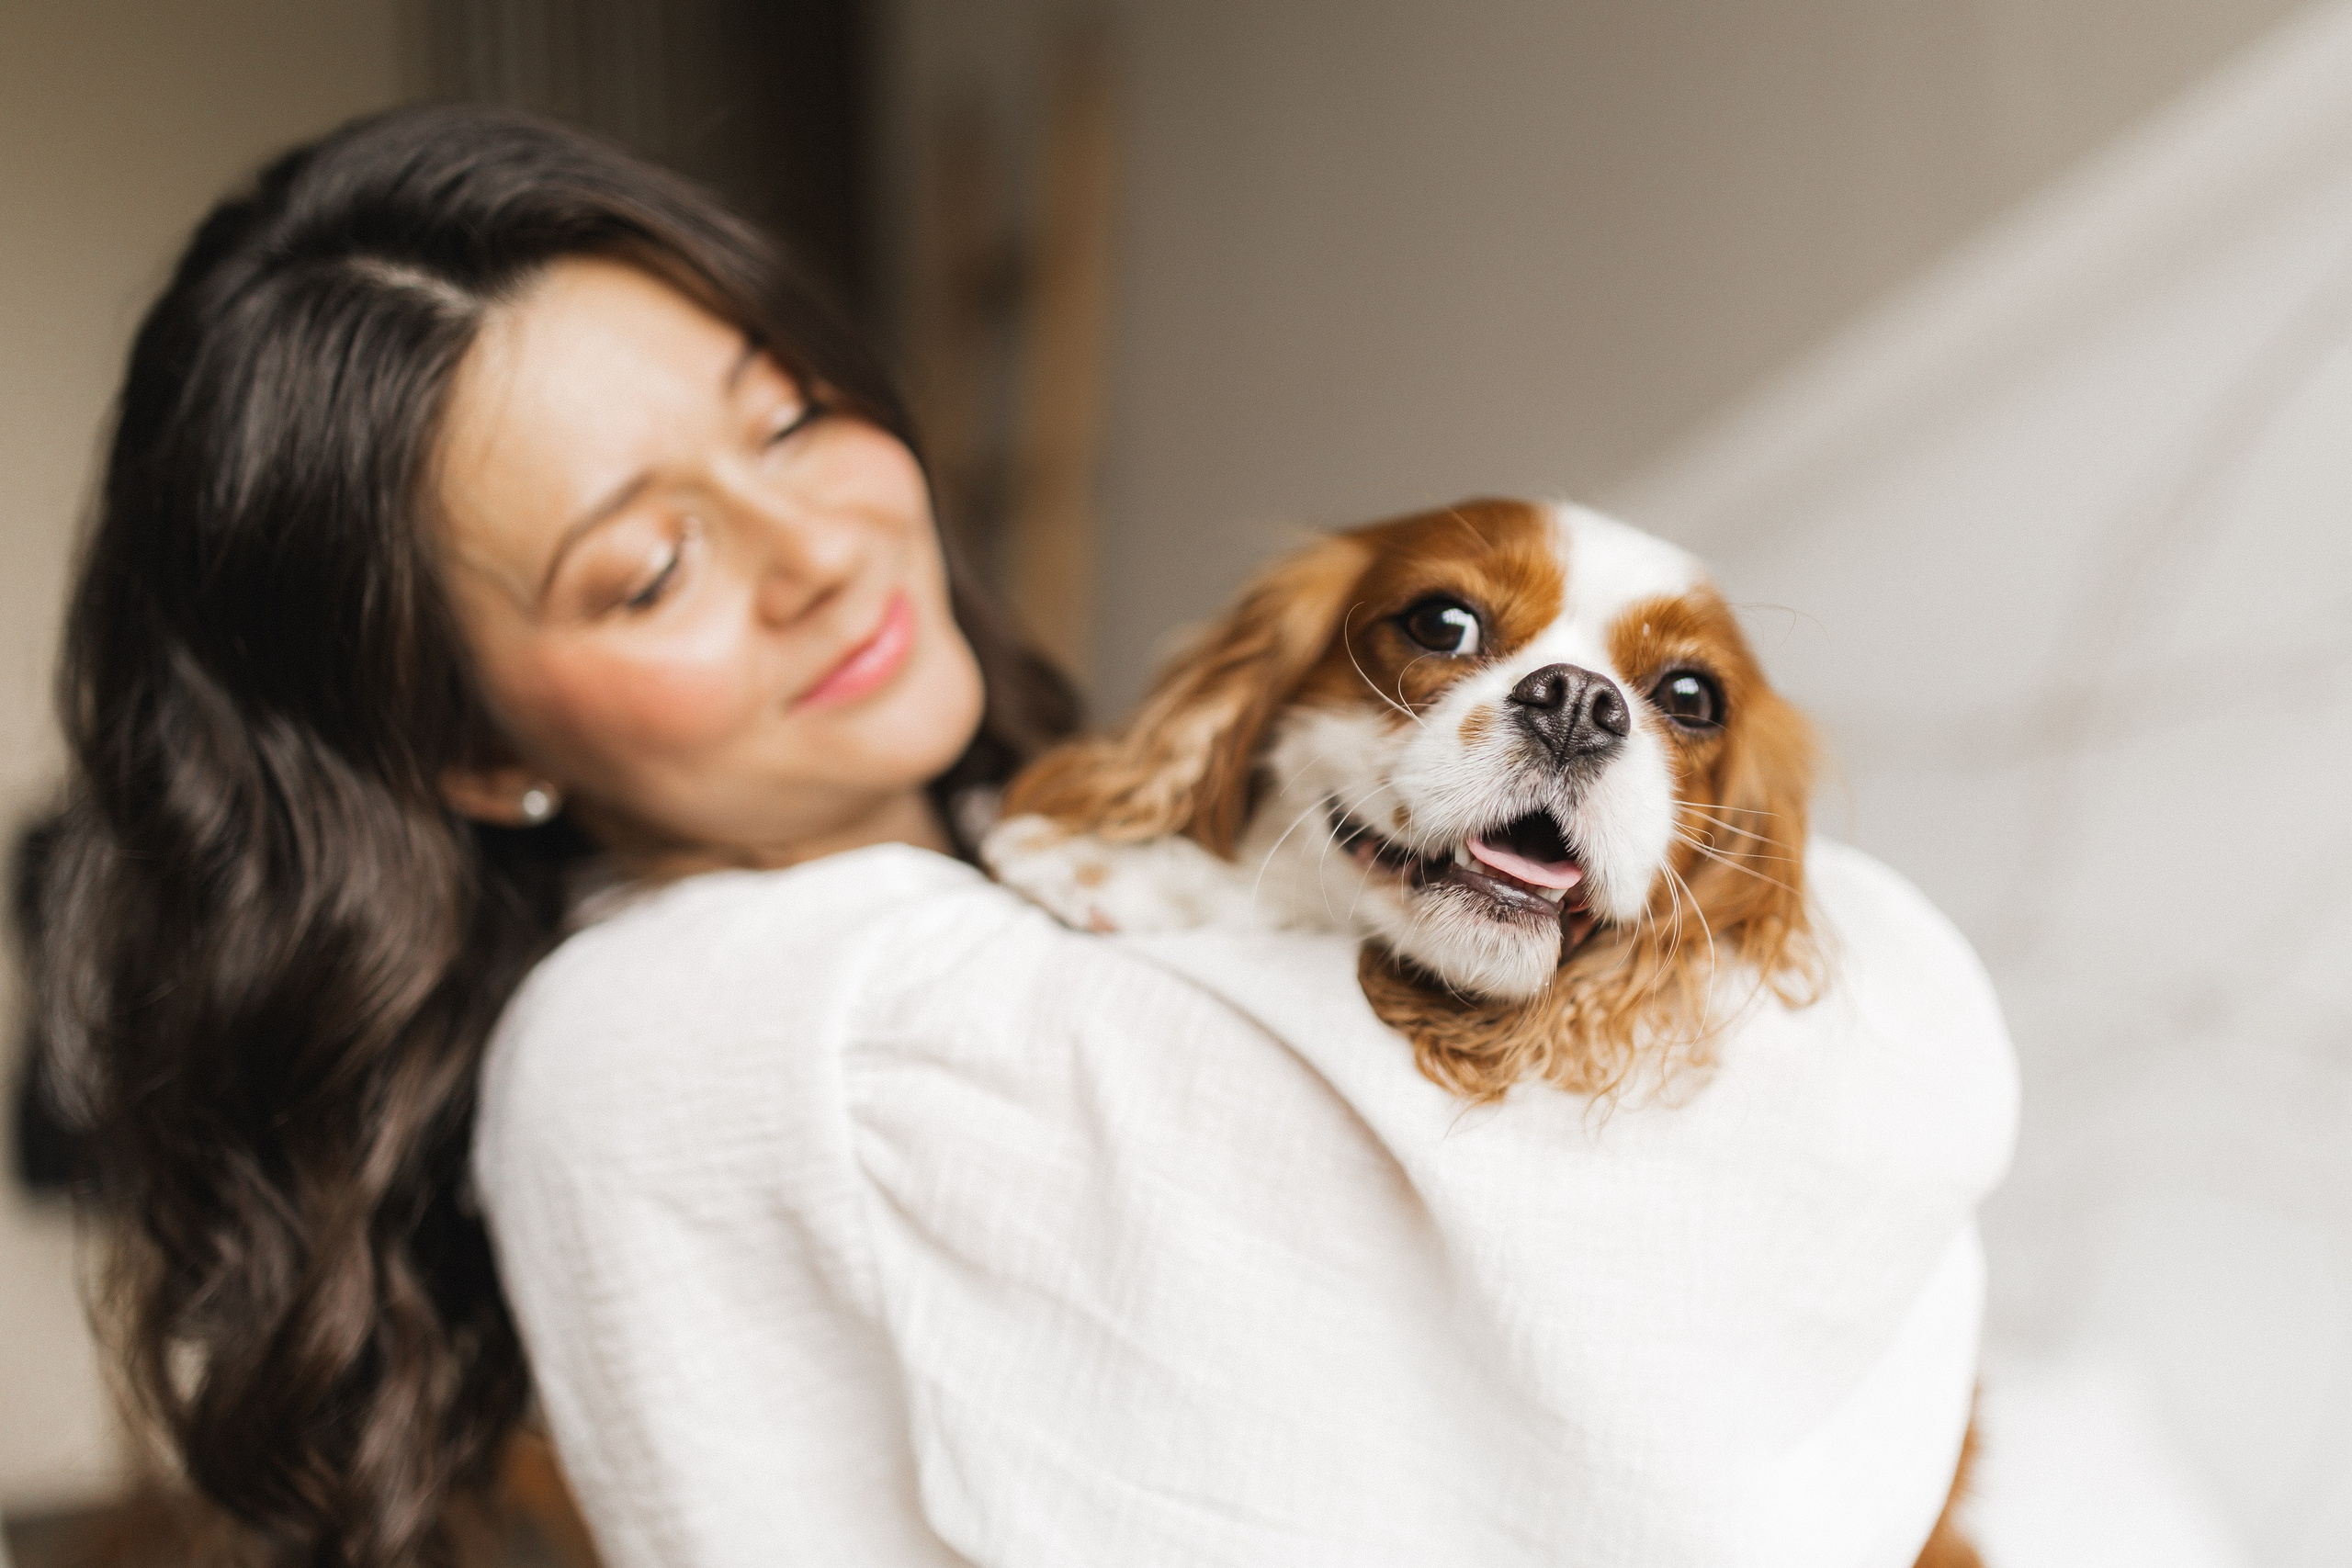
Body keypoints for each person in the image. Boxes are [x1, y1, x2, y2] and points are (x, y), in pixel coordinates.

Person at [40, 103, 2012, 1568]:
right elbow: (1851, 1110)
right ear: (472, 748)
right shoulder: (695, 1038)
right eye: (650, 565)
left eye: (791, 412)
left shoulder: (1049, 869)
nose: (821, 549)